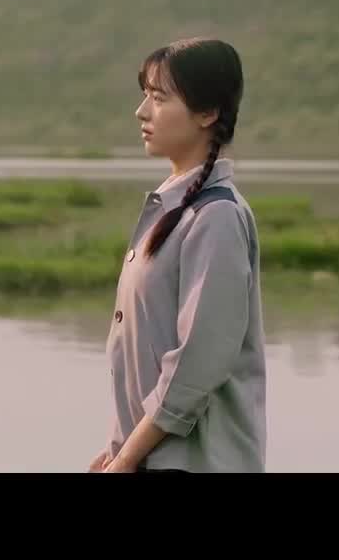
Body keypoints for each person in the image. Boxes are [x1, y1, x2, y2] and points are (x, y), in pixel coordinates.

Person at [91, 37, 267, 473]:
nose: (141, 111)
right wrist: (119, 449)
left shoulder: (217, 217)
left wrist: (128, 457)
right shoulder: (173, 209)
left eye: (158, 98)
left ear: (207, 113)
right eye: (145, 95)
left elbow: (196, 366)